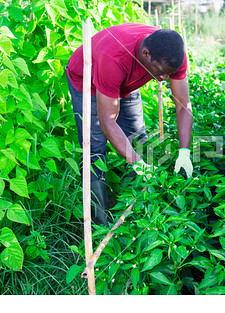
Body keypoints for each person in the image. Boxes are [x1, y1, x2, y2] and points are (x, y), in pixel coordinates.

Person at [66, 23, 193, 225]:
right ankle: (100, 224)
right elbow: (107, 122)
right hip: (87, 82)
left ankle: (137, 207)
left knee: (137, 139)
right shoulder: (114, 58)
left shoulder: (172, 56)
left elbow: (183, 106)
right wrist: (138, 165)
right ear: (146, 54)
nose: (163, 79)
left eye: (169, 74)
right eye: (161, 72)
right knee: (95, 149)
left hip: (126, 82)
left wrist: (184, 152)